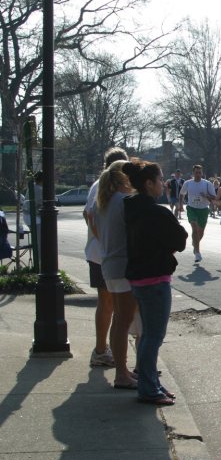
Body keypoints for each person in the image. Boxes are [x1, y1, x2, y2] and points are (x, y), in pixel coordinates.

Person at [123, 160, 188, 405]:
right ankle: (149, 389)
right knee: (153, 336)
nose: (164, 184)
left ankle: (151, 383)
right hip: (154, 279)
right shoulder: (156, 212)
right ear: (149, 184)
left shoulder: (131, 208)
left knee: (148, 335)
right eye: (160, 179)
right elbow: (179, 240)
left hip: (139, 278)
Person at [90, 160, 138, 389]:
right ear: (123, 179)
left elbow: (93, 225)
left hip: (109, 264)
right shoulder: (123, 202)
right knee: (124, 321)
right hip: (123, 266)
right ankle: (122, 373)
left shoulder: (102, 202)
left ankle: (122, 370)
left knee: (119, 320)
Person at [84, 146, 128, 368]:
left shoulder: (101, 186)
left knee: (109, 303)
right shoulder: (104, 186)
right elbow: (90, 215)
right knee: (114, 305)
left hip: (100, 253)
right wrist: (104, 240)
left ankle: (104, 350)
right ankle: (104, 351)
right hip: (106, 254)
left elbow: (88, 215)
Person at [179, 165, 217, 263]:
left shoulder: (207, 184)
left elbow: (214, 197)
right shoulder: (188, 183)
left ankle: (195, 244)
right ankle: (197, 252)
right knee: (194, 229)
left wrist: (206, 195)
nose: (198, 174)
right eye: (196, 172)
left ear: (202, 173)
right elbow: (182, 194)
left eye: (200, 172)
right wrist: (181, 205)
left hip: (203, 210)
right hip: (191, 208)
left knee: (200, 232)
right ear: (193, 173)